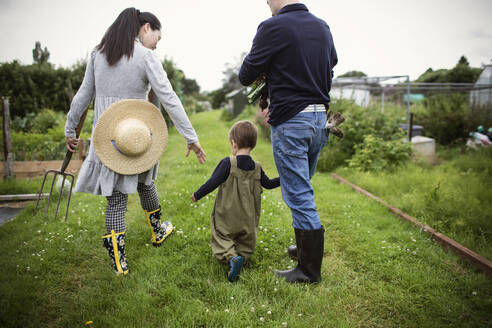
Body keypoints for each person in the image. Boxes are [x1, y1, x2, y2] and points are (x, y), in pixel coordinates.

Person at [64, 7, 206, 275]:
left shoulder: (98, 54)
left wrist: (70, 129)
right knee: (146, 183)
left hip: (110, 137)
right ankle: (158, 231)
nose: (157, 42)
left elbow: (83, 95)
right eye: (157, 36)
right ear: (145, 28)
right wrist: (191, 137)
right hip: (138, 134)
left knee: (117, 199)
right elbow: (169, 97)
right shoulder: (145, 56)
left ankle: (119, 261)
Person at [239, 0, 338, 283]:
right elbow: (329, 69)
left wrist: (269, 74)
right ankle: (304, 252)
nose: (266, 3)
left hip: (293, 121)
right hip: (320, 119)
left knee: (298, 193)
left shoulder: (272, 27)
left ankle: (308, 271)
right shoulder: (322, 27)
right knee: (302, 186)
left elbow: (245, 75)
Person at [191, 120, 280, 282]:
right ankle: (242, 256)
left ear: (234, 143)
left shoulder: (228, 163)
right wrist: (284, 178)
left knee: (221, 233)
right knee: (246, 238)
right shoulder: (257, 167)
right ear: (253, 144)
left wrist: (197, 194)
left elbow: (213, 182)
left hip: (227, 214)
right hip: (248, 215)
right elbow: (268, 184)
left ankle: (231, 257)